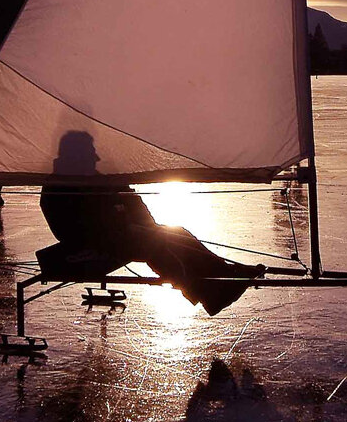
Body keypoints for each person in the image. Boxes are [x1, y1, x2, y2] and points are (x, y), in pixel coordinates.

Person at [35, 131, 263, 315]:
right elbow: (68, 229)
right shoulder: (59, 185)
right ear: (77, 154)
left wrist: (141, 225)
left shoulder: (97, 178)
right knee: (152, 243)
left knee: (176, 233)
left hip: (120, 236)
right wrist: (121, 228)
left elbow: (132, 203)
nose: (97, 157)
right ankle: (210, 292)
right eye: (91, 152)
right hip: (86, 249)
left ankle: (222, 275)